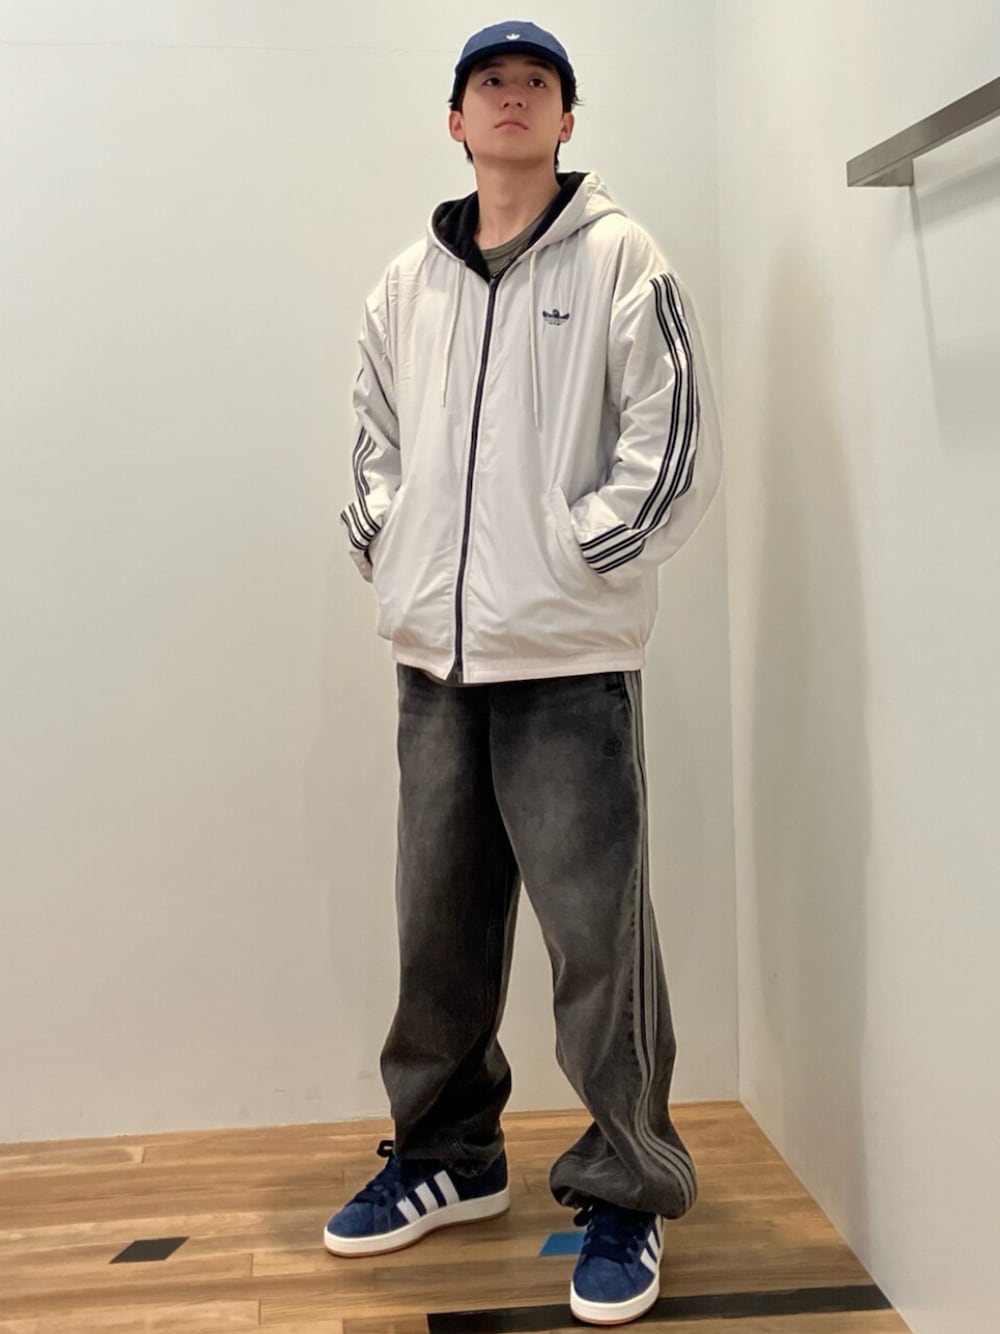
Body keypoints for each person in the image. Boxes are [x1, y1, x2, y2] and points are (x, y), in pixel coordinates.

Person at [325, 19, 723, 1327]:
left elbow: (672, 438)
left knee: (597, 944)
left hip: (566, 658)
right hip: (433, 661)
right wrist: (393, 550)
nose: (511, 97)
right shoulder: (406, 284)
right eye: (488, 83)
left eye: (535, 83)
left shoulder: (621, 259)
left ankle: (628, 1186)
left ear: (566, 119)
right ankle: (449, 1155)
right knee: (436, 928)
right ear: (456, 121)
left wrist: (574, 557)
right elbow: (371, 440)